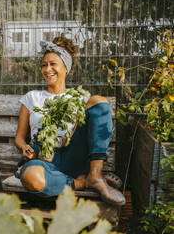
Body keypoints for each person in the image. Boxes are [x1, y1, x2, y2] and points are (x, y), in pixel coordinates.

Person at [15, 35, 126, 206]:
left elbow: (91, 126)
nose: (47, 69)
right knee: (31, 177)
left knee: (99, 101)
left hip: (72, 155)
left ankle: (95, 175)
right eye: (44, 65)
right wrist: (25, 148)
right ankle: (83, 182)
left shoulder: (78, 98)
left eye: (53, 64)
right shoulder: (32, 97)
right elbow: (19, 138)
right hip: (43, 158)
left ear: (66, 68)